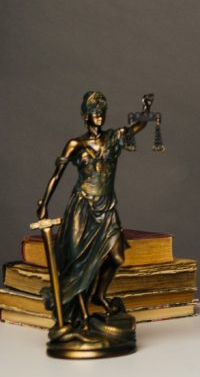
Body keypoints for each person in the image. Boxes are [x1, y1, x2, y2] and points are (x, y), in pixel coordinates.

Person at [36, 91, 154, 338]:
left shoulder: (113, 139)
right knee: (80, 263)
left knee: (117, 257)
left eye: (102, 112)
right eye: (94, 113)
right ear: (85, 116)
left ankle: (99, 295)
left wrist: (145, 110)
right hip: (83, 207)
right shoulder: (75, 144)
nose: (99, 116)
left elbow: (137, 127)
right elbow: (57, 174)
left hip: (107, 207)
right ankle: (83, 317)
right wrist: (44, 202)